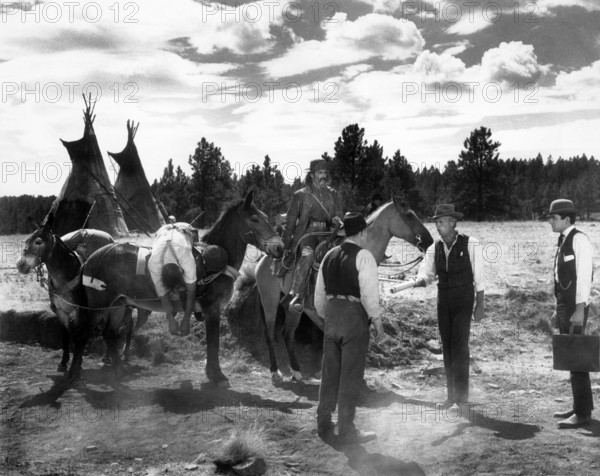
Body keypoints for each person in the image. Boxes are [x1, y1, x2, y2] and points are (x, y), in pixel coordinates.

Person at [314, 212, 384, 444]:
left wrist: (330, 316)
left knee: (329, 370)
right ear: (362, 232)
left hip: (332, 315)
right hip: (354, 317)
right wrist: (377, 322)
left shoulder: (329, 256)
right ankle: (346, 429)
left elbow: (318, 299)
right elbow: (369, 296)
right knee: (350, 374)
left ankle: (323, 421)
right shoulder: (364, 257)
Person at [415, 204, 484, 414]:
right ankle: (450, 397)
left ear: (453, 222)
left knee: (460, 347)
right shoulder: (433, 248)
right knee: (447, 348)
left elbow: (479, 277)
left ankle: (462, 400)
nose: (437, 225)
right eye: (436, 222)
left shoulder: (471, 244)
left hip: (464, 300)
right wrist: (421, 280)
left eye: (441, 221)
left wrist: (480, 305)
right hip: (443, 301)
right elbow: (427, 274)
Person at [547, 199, 594, 428]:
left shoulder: (579, 239)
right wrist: (559, 308)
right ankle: (579, 406)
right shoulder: (563, 240)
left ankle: (583, 413)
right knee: (571, 357)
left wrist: (579, 308)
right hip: (566, 305)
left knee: (577, 358)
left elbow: (584, 276)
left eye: (553, 217)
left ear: (566, 218)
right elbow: (560, 277)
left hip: (576, 306)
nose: (550, 221)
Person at [282, 159, 342, 312]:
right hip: (307, 235)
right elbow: (290, 222)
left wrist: (337, 220)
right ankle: (297, 294)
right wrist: (286, 243)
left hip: (329, 234)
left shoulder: (333, 194)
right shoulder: (300, 195)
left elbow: (338, 214)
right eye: (320, 173)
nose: (323, 176)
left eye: (325, 173)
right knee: (308, 256)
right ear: (312, 174)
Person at [148, 221, 198, 337]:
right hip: (162, 231)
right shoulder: (154, 263)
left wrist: (186, 319)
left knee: (199, 264)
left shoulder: (186, 260)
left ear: (182, 272)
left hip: (185, 228)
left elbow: (191, 292)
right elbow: (163, 294)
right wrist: (170, 319)